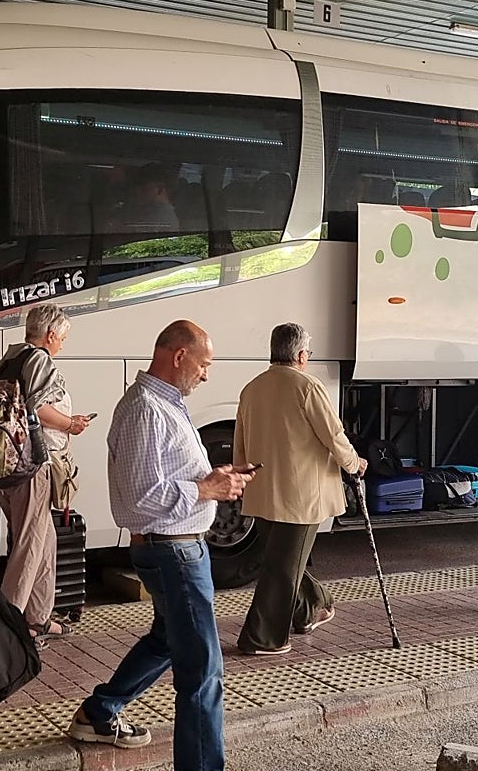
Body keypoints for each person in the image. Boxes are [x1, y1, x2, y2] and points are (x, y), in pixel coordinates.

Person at [67, 320, 252, 771]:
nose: (207, 374)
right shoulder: (146, 408)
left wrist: (214, 480)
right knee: (204, 672)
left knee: (167, 640)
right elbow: (142, 495)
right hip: (173, 550)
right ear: (178, 356)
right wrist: (207, 490)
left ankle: (99, 711)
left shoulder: (163, 404)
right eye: (204, 364)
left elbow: (165, 476)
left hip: (177, 547)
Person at [232, 323, 367, 656]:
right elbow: (333, 435)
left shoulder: (252, 388)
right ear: (302, 354)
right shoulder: (307, 386)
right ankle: (262, 638)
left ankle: (311, 609)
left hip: (262, 490)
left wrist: (240, 477)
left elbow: (240, 440)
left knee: (282, 560)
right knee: (283, 566)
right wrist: (354, 463)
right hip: (301, 494)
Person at [0, 304, 92, 645]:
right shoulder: (38, 359)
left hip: (8, 464)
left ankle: (36, 619)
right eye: (63, 338)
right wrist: (71, 424)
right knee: (30, 543)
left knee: (44, 538)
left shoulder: (11, 359)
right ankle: (6, 630)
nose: (63, 344)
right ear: (50, 335)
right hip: (30, 465)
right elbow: (36, 407)